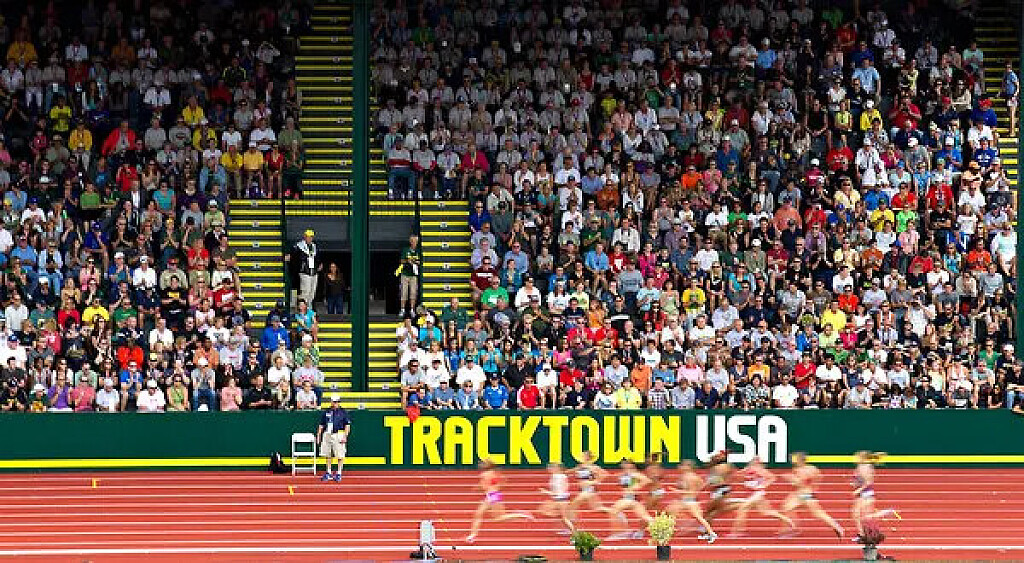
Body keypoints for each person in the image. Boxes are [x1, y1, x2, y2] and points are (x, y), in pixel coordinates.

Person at [465, 459, 534, 542]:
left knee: (498, 517)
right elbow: (503, 481)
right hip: (494, 495)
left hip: (492, 496)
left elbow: (484, 487)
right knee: (479, 514)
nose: (480, 465)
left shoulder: (484, 474)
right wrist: (495, 487)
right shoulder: (495, 473)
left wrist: (477, 488)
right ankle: (472, 535)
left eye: (483, 463)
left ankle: (521, 514)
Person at [782, 452, 845, 538]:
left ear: (799, 460)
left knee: (817, 513)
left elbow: (799, 483)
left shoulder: (799, 470)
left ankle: (794, 528)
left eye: (795, 459)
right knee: (788, 507)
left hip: (803, 494)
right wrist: (815, 487)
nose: (793, 461)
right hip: (806, 493)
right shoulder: (812, 468)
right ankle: (793, 527)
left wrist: (790, 478)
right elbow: (819, 476)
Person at [731, 456, 795, 536]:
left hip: (757, 494)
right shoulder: (748, 469)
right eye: (753, 460)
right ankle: (790, 522)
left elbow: (772, 477)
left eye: (756, 461)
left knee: (742, 508)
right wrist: (734, 471)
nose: (754, 462)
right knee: (767, 512)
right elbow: (738, 475)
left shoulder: (760, 470)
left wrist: (764, 485)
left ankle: (737, 532)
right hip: (755, 494)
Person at [852, 451, 901, 539]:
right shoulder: (861, 466)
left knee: (865, 517)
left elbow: (869, 482)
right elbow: (859, 480)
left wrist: (859, 489)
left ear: (862, 458)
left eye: (857, 457)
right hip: (862, 494)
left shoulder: (866, 467)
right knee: (856, 514)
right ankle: (861, 534)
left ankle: (888, 512)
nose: (855, 458)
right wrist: (855, 484)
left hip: (866, 494)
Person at [666, 460, 718, 543]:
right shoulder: (695, 476)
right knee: (671, 510)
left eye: (684, 466)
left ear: (688, 467)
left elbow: (689, 491)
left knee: (699, 518)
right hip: (690, 500)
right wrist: (696, 491)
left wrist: (676, 491)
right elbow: (702, 486)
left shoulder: (687, 477)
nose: (681, 467)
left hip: (688, 501)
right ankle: (710, 533)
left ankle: (711, 533)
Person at [606, 460, 653, 540]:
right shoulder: (626, 474)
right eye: (623, 463)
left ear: (631, 465)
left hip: (629, 499)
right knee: (645, 516)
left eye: (625, 463)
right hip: (631, 500)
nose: (623, 465)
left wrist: (638, 486)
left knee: (613, 510)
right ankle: (661, 528)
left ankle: (620, 532)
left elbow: (648, 480)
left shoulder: (634, 473)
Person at [316, 395, 351, 482]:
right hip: (327, 433)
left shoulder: (343, 412)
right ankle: (328, 471)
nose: (335, 403)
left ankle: (339, 472)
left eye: (336, 402)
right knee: (327, 454)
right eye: (334, 402)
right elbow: (321, 424)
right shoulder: (327, 411)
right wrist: (319, 435)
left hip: (338, 433)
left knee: (340, 454)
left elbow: (347, 425)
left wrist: (345, 436)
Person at [568, 450, 609, 524]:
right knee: (598, 508)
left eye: (584, 455)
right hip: (585, 490)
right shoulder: (580, 466)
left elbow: (605, 474)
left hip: (588, 490)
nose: (582, 457)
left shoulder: (593, 467)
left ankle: (573, 525)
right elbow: (571, 471)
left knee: (572, 506)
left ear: (588, 457)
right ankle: (615, 512)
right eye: (582, 455)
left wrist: (594, 482)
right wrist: (563, 472)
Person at [534, 462, 574, 534]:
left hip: (560, 500)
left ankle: (575, 533)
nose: (549, 469)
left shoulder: (557, 477)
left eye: (551, 467)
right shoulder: (560, 476)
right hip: (561, 499)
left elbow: (558, 491)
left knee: (564, 518)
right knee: (562, 517)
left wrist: (546, 492)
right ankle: (569, 530)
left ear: (557, 468)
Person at [292, 229, 321, 307]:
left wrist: (319, 264)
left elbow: (318, 258)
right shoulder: (299, 246)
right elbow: (293, 256)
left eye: (311, 237)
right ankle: (302, 308)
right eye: (308, 237)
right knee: (306, 291)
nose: (310, 238)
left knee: (312, 292)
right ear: (305, 237)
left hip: (314, 272)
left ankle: (309, 308)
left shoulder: (314, 246)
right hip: (304, 272)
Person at [399, 234, 421, 318]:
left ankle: (412, 310)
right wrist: (408, 261)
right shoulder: (406, 250)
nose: (413, 242)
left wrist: (415, 262)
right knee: (404, 292)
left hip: (414, 275)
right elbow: (401, 260)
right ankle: (402, 310)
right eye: (412, 241)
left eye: (415, 241)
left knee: (413, 292)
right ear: (410, 241)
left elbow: (420, 261)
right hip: (405, 274)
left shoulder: (418, 251)